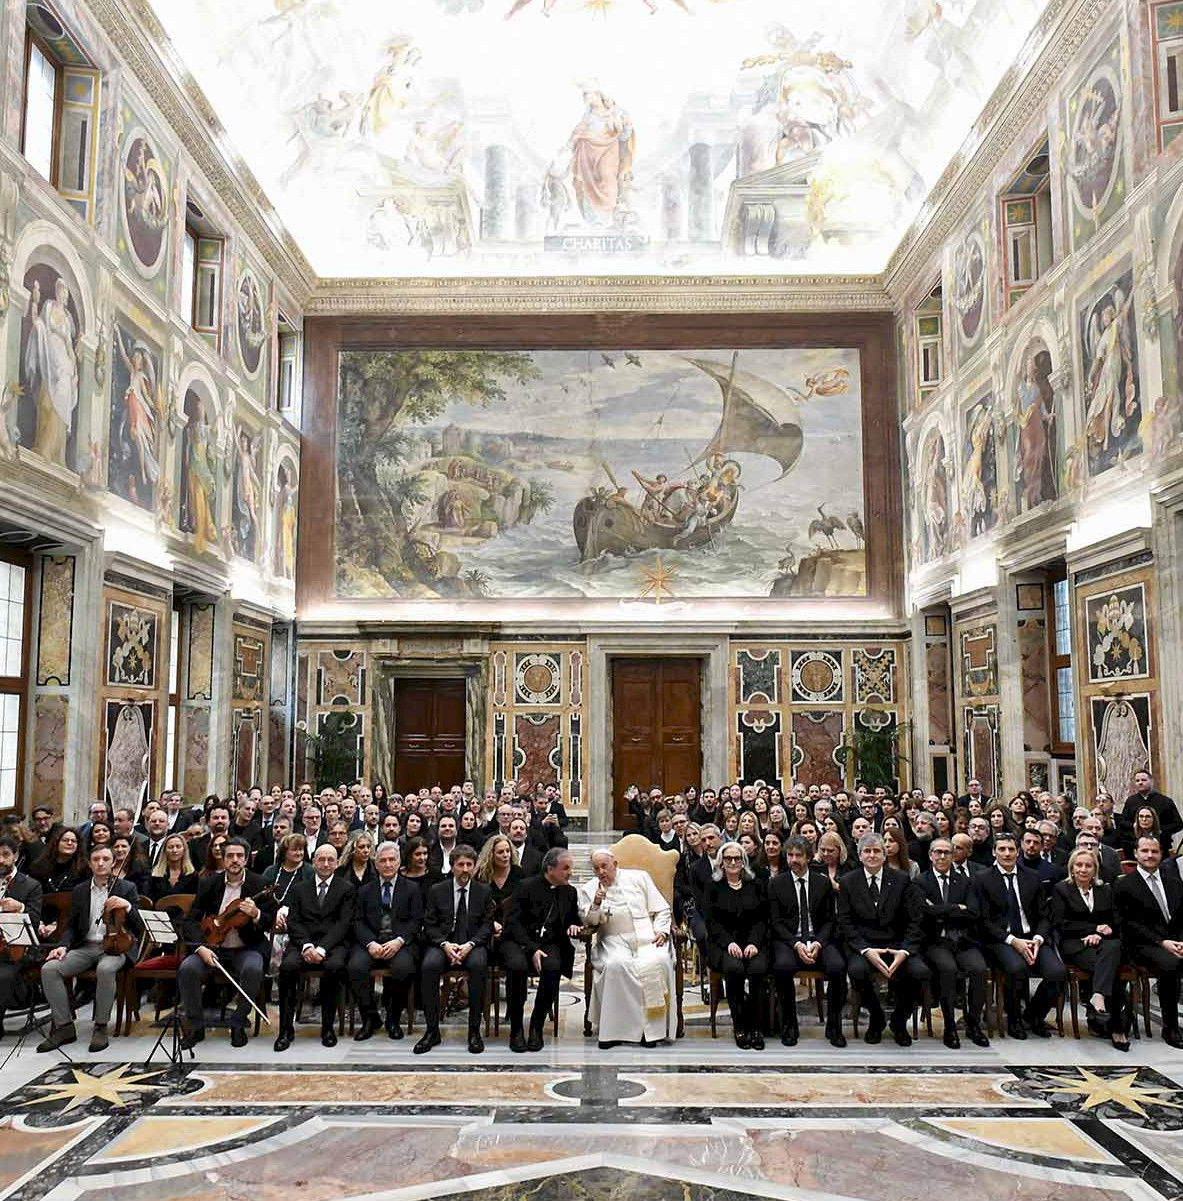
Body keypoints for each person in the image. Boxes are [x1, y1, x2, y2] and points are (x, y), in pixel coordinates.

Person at [38, 845, 143, 1052]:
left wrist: (128, 906)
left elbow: (140, 926)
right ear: (90, 863)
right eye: (96, 859)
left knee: (105, 969)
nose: (101, 863)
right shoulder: (80, 890)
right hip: (85, 946)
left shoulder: (127, 888)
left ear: (114, 862)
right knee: (49, 969)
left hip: (115, 947)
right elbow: (70, 925)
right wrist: (63, 946)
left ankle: (101, 1026)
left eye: (105, 859)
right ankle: (64, 1026)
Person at [178, 837, 273, 1050]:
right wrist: (200, 947)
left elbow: (270, 920)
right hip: (212, 948)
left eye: (240, 856)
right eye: (230, 855)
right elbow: (191, 920)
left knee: (253, 968)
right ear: (222, 858)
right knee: (187, 969)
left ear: (247, 859)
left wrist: (257, 914)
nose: (235, 860)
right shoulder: (208, 883)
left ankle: (238, 1023)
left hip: (246, 947)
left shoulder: (259, 884)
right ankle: (196, 1026)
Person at [969, 831, 1065, 1039]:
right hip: (1001, 940)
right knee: (1016, 968)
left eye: (1011, 849)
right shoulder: (981, 879)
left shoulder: (1032, 877)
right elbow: (982, 921)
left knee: (1057, 973)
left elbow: (1043, 915)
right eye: (1002, 849)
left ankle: (1034, 1016)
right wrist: (1013, 941)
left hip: (1033, 938)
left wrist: (1038, 938)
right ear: (994, 852)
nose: (1007, 853)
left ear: (1018, 851)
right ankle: (1014, 1019)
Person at [837, 832, 929, 1046]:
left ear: (885, 854)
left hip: (896, 945)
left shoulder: (901, 880)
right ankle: (876, 1018)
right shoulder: (848, 882)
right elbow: (844, 922)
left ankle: (899, 1020)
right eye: (867, 851)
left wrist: (905, 951)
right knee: (857, 971)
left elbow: (915, 919)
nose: (872, 855)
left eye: (876, 851)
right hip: (864, 946)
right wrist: (865, 950)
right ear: (859, 855)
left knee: (920, 972)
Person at [578, 849, 676, 1048]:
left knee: (657, 962)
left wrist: (662, 931)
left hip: (646, 936)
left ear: (615, 863)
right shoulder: (589, 889)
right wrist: (596, 904)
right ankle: (613, 1032)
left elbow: (663, 909)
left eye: (604, 866)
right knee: (616, 965)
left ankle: (649, 1033)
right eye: (596, 868)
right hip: (612, 939)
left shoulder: (639, 877)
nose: (601, 872)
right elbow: (589, 922)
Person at [274, 844, 355, 1052]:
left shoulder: (346, 889)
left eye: (330, 859)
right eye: (321, 859)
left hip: (334, 944)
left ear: (337, 863)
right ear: (314, 862)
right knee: (287, 967)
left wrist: (322, 949)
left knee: (335, 967)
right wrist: (308, 946)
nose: (326, 864)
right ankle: (285, 1029)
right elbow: (294, 921)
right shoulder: (299, 888)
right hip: (302, 943)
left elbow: (343, 924)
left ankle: (327, 1028)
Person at [416, 845, 495, 1055]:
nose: (465, 869)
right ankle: (432, 1031)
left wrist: (470, 945)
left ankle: (473, 1031)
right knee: (429, 966)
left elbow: (488, 925)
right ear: (452, 867)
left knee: (479, 966)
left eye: (469, 865)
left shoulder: (483, 891)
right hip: (444, 943)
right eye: (461, 865)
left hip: (473, 944)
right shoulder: (437, 890)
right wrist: (444, 944)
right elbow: (429, 925)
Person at [769, 835, 846, 1047]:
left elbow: (831, 920)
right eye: (790, 855)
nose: (794, 859)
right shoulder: (777, 884)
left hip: (819, 939)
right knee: (782, 967)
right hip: (790, 941)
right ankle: (790, 1025)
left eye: (798, 855)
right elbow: (775, 923)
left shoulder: (822, 883)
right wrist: (797, 944)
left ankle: (834, 1025)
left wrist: (818, 943)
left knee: (838, 967)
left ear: (809, 857)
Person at [503, 847, 581, 1052]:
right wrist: (531, 949)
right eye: (565, 868)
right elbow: (513, 923)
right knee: (517, 966)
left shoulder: (569, 892)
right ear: (550, 869)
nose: (570, 873)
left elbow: (572, 918)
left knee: (553, 967)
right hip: (519, 942)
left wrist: (574, 925)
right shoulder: (526, 886)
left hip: (550, 942)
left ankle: (536, 1026)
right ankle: (516, 1028)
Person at [1051, 847, 1128, 1050]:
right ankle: (1117, 1027)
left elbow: (1115, 920)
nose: (1083, 869)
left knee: (1115, 947)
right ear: (1071, 868)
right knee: (1114, 968)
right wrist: (1092, 929)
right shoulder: (1061, 889)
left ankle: (1098, 998)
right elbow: (1061, 924)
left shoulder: (1106, 889)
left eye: (1088, 866)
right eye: (1079, 865)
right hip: (1075, 945)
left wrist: (1100, 933)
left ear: (1095, 870)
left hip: (1103, 944)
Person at [917, 838, 989, 1048]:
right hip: (935, 941)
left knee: (978, 969)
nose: (942, 856)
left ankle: (973, 1024)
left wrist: (939, 909)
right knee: (947, 970)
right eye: (937, 852)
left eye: (947, 852)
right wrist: (957, 908)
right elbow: (923, 913)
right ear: (930, 855)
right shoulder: (921, 881)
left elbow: (974, 913)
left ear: (953, 855)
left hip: (963, 940)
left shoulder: (966, 881)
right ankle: (949, 1026)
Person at [1113, 834, 1183, 1048]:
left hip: (1174, 940)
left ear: (1161, 854)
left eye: (1154, 851)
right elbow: (1128, 923)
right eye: (1145, 851)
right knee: (1171, 964)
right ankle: (1170, 1026)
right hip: (1142, 943)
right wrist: (1163, 942)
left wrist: (1180, 940)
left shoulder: (1173, 880)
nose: (1150, 855)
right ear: (1135, 854)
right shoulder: (1125, 884)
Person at [349, 841, 423, 1041]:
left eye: (392, 860)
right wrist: (370, 943)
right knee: (355, 967)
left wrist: (399, 941)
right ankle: (370, 1018)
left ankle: (393, 1018)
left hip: (400, 943)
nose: (388, 864)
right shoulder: (364, 890)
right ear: (376, 863)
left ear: (399, 862)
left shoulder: (412, 888)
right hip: (371, 942)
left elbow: (417, 921)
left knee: (404, 967)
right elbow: (357, 921)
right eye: (383, 860)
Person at [705, 844, 767, 1049]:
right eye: (728, 858)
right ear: (721, 862)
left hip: (752, 944)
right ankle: (739, 1025)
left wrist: (753, 943)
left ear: (744, 862)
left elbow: (761, 919)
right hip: (723, 945)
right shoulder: (713, 887)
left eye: (737, 858)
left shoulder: (755, 885)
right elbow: (712, 922)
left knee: (758, 968)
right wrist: (729, 943)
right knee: (735, 968)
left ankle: (756, 1026)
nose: (733, 862)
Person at [0, 836, 43, 1037]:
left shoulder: (31, 885)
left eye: (6, 855)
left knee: (4, 975)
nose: (1, 860)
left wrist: (21, 908)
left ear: (16, 856)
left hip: (17, 948)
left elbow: (34, 922)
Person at [1123, 771, 1181, 848]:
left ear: (1151, 781)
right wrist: (1134, 826)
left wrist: (1160, 829)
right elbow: (1123, 822)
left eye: (1143, 780)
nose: (1140, 783)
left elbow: (1178, 824)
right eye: (1137, 781)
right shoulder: (1130, 801)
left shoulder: (1165, 801)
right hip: (1136, 845)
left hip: (1161, 844)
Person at [147, 833, 197, 902]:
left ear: (184, 850)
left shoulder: (193, 876)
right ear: (165, 851)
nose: (174, 850)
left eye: (178, 847)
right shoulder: (154, 875)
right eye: (171, 847)